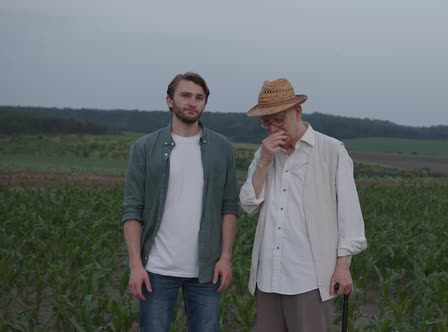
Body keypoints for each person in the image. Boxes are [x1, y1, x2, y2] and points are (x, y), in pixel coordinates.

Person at [239, 78, 367, 331]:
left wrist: (343, 267)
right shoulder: (264, 153)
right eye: (266, 121)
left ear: (297, 112)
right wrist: (264, 162)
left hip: (308, 278)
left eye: (279, 119)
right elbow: (248, 205)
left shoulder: (332, 151)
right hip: (268, 278)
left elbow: (350, 214)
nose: (273, 128)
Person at [121, 72, 240, 331]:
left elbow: (229, 206)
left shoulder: (221, 147)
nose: (192, 102)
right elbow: (132, 210)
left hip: (206, 272)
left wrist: (225, 258)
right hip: (156, 270)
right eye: (185, 95)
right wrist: (135, 265)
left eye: (199, 97)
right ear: (169, 101)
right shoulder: (144, 148)